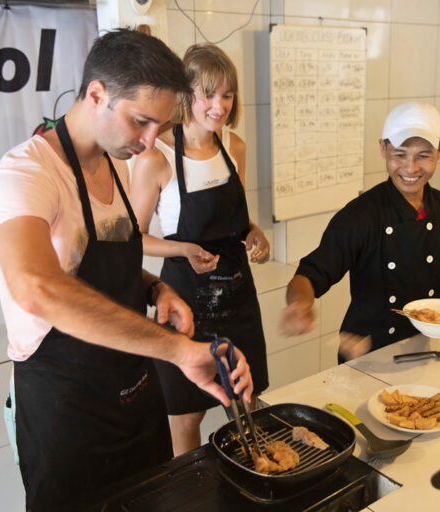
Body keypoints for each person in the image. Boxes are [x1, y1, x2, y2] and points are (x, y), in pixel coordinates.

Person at [0, 30, 253, 511]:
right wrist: (178, 351)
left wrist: (156, 288)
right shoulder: (25, 174)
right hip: (67, 409)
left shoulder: (119, 165)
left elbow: (106, 263)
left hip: (135, 394)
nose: (149, 142)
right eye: (141, 121)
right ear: (96, 94)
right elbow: (39, 287)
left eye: (159, 125)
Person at [130, 43, 270, 456]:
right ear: (185, 94)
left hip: (238, 298)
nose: (219, 105)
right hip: (185, 303)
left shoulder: (234, 146)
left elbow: (237, 219)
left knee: (246, 404)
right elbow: (133, 238)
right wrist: (183, 249)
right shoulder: (157, 158)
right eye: (208, 94)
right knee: (187, 415)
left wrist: (254, 233)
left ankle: (255, 477)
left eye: (227, 95)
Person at [279, 102, 440, 361]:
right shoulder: (360, 216)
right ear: (383, 148)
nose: (411, 168)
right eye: (400, 154)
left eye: (424, 156)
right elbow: (308, 276)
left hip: (425, 348)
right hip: (366, 351)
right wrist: (299, 305)